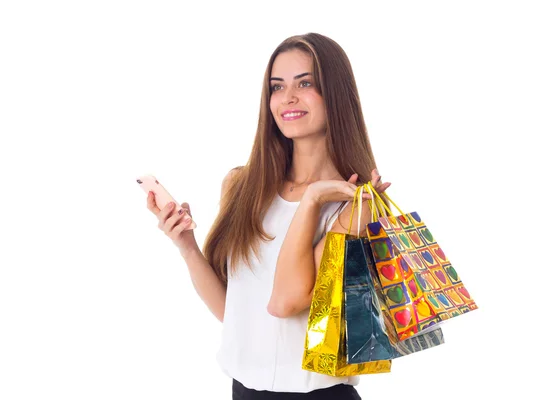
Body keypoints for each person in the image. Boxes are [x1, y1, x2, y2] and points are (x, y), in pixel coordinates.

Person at [145, 32, 391, 399]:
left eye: (305, 83)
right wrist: (186, 247)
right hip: (243, 391)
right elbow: (237, 317)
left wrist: (311, 202)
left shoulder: (355, 206)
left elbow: (285, 302)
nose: (287, 98)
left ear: (336, 94)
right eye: (277, 87)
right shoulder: (241, 186)